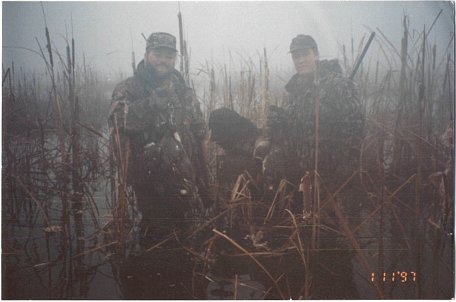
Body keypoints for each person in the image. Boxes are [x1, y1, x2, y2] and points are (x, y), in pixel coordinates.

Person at [109, 32, 209, 245]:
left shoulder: (183, 90)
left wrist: (203, 174)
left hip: (186, 174)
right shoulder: (129, 87)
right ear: (146, 55)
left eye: (169, 56)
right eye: (158, 54)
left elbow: (199, 129)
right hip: (149, 178)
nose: (163, 60)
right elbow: (117, 123)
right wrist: (149, 105)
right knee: (157, 234)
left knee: (188, 231)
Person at [256, 34, 364, 213]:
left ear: (316, 54)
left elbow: (355, 129)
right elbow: (296, 127)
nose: (300, 60)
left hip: (330, 173)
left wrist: (343, 171)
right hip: (302, 172)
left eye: (304, 54)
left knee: (330, 229)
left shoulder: (337, 85)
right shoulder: (296, 90)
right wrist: (280, 121)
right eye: (295, 56)